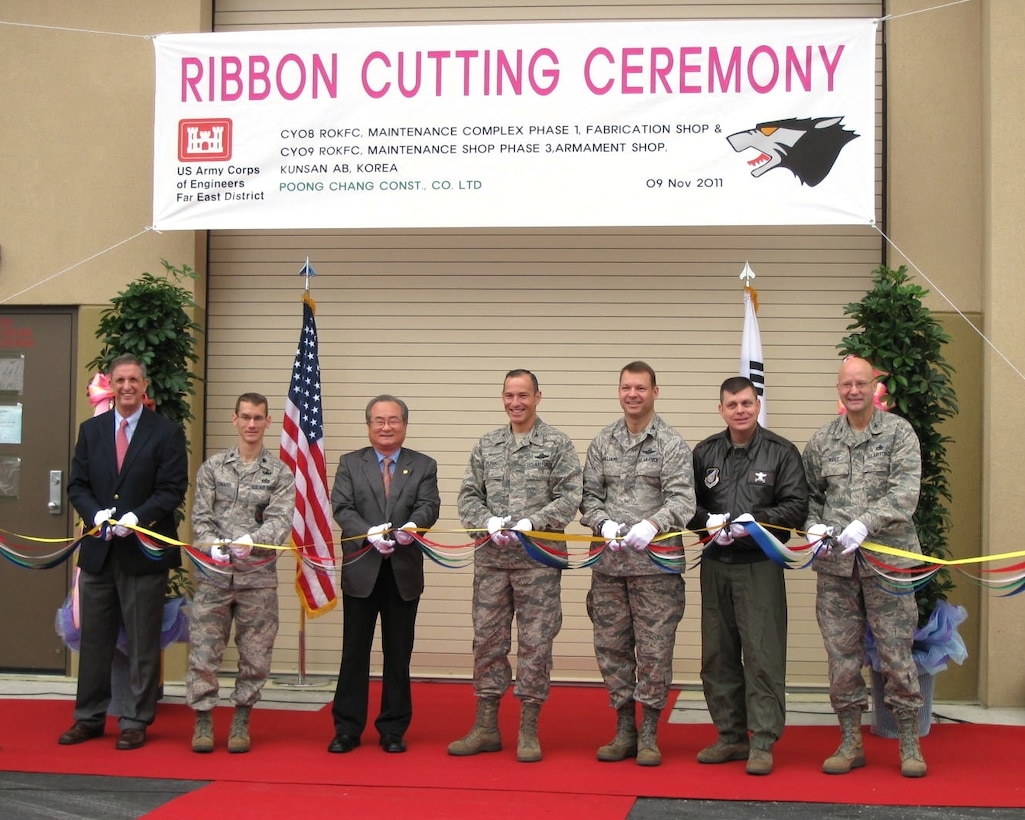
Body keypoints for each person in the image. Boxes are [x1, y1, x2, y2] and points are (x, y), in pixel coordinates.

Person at [803, 355, 927, 778]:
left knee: (895, 654)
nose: (853, 391)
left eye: (861, 383)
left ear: (875, 387)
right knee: (841, 658)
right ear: (838, 389)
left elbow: (905, 494)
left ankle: (909, 743)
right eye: (846, 385)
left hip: (887, 564)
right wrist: (814, 527)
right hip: (837, 570)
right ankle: (851, 741)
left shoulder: (899, 434)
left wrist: (864, 523)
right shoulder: (822, 441)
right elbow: (810, 497)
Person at [450, 369, 582, 763]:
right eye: (509, 395)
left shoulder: (557, 444)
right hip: (492, 562)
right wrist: (486, 521)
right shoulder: (487, 444)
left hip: (537, 563)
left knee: (535, 644)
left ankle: (528, 727)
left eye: (523, 395)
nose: (515, 403)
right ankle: (487, 726)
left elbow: (570, 495)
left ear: (538, 397)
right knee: (487, 642)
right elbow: (468, 495)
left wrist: (533, 522)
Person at [62, 354, 188, 751]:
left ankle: (135, 719)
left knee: (141, 640)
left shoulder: (165, 432)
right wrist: (94, 513)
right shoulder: (92, 430)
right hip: (100, 553)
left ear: (144, 384)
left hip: (143, 553)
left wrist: (137, 518)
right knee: (95, 640)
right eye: (120, 380)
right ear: (111, 386)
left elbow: (172, 489)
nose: (127, 386)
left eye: (134, 379)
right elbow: (77, 485)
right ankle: (89, 717)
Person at [687, 376, 809, 776]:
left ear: (757, 405)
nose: (740, 410)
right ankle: (730, 735)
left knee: (762, 654)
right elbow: (687, 506)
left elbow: (796, 508)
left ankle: (763, 739)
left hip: (760, 565)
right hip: (716, 564)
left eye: (746, 403)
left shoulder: (780, 452)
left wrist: (754, 522)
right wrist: (709, 522)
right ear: (720, 409)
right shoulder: (705, 453)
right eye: (732, 404)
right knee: (717, 654)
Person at [579, 361, 695, 767]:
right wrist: (602, 521)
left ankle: (649, 733)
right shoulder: (603, 442)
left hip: (655, 569)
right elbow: (588, 496)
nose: (632, 394)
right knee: (611, 649)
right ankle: (624, 728)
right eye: (626, 387)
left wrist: (654, 523)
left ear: (654, 392)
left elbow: (683, 500)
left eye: (640, 388)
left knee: (654, 651)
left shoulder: (670, 443)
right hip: (609, 568)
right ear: (619, 391)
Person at [328, 395, 441, 754]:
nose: (386, 427)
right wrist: (368, 533)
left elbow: (429, 505)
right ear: (369, 425)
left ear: (405, 425)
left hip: (403, 573)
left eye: (393, 420)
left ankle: (393, 728)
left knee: (398, 654)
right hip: (362, 570)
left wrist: (414, 525)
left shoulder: (423, 465)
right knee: (354, 653)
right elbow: (341, 507)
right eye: (379, 420)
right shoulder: (350, 463)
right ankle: (347, 728)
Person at [186, 392, 294, 754]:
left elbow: (281, 522)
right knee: (204, 651)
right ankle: (203, 719)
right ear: (234, 419)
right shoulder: (213, 468)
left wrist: (254, 540)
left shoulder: (279, 473)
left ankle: (242, 718)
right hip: (213, 578)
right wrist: (209, 544)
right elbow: (199, 517)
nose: (251, 424)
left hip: (257, 578)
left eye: (258, 418)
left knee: (255, 654)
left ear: (267, 422)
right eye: (245, 417)